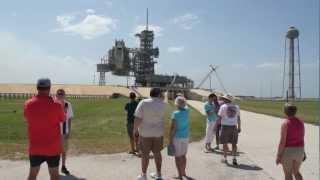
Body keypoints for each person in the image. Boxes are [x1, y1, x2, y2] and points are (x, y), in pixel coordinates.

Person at [24, 78, 65, 180]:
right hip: (53, 148)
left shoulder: (28, 104)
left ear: (37, 88)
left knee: (32, 175)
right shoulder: (57, 105)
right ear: (49, 88)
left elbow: (27, 117)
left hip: (35, 147)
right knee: (54, 176)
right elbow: (62, 119)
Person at [134, 88, 166, 180]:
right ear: (159, 94)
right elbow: (163, 99)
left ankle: (144, 175)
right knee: (157, 153)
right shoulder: (163, 104)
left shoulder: (144, 102)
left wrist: (135, 130)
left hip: (145, 133)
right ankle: (159, 175)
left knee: (145, 154)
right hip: (158, 133)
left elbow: (138, 118)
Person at [276, 103, 305, 180]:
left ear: (285, 112)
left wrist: (279, 155)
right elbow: (302, 137)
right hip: (300, 150)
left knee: (288, 173)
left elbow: (282, 141)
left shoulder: (285, 123)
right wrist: (303, 152)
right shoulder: (301, 122)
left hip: (288, 151)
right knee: (296, 172)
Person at [169, 96, 190, 180]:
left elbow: (173, 128)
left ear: (176, 104)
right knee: (183, 155)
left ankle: (180, 175)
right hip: (186, 137)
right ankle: (183, 172)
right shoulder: (188, 111)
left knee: (177, 157)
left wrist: (170, 139)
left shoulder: (175, 114)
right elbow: (186, 106)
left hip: (177, 137)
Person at [217, 94, 241, 165]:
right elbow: (238, 118)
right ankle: (234, 158)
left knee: (225, 143)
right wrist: (239, 127)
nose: (223, 100)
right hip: (234, 127)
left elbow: (219, 117)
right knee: (234, 144)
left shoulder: (223, 107)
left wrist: (217, 126)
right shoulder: (237, 107)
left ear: (226, 100)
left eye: (224, 99)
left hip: (225, 127)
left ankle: (225, 158)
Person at [55, 89, 74, 175]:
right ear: (56, 95)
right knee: (55, 151)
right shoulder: (53, 104)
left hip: (64, 131)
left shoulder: (68, 104)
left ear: (64, 95)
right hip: (54, 131)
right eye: (59, 94)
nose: (60, 95)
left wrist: (69, 131)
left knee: (64, 150)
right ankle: (54, 168)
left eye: (62, 94)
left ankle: (63, 166)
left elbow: (69, 118)